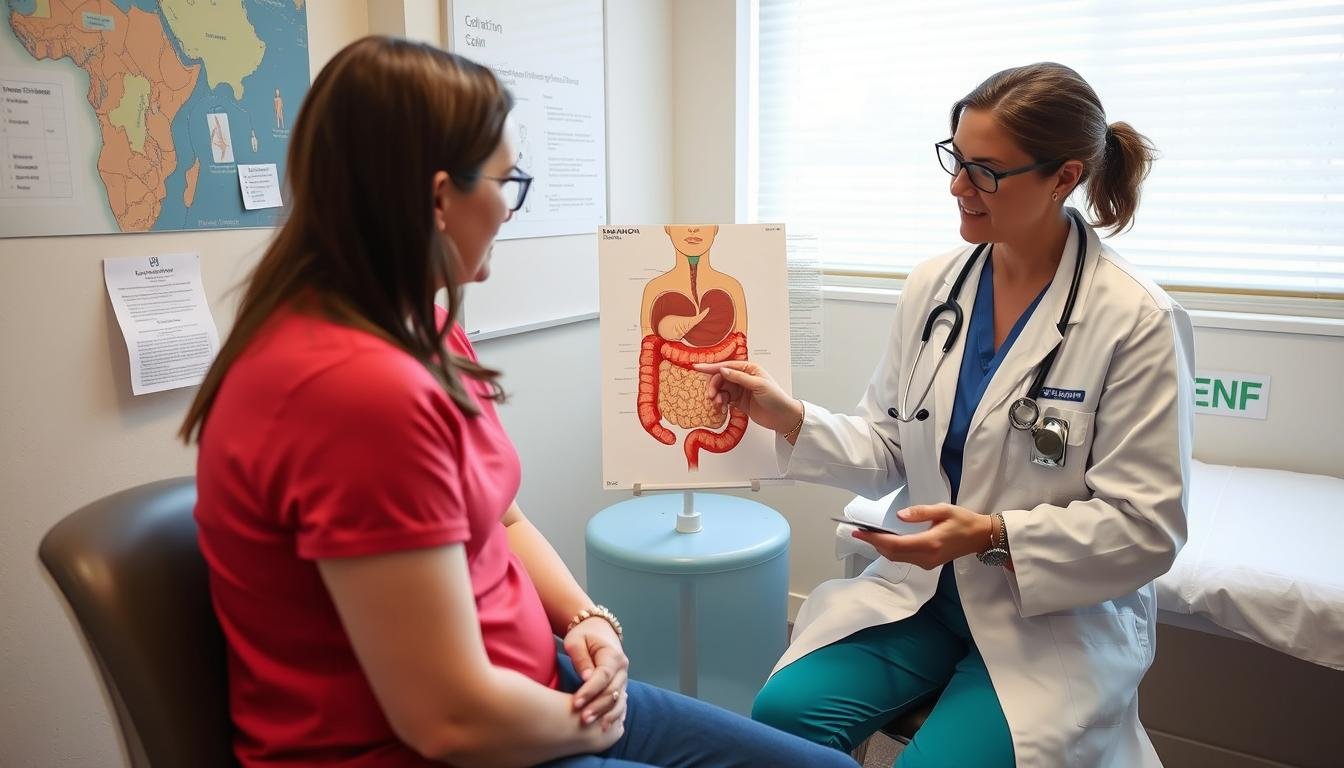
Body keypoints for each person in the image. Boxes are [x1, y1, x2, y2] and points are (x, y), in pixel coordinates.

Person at [179, 36, 857, 768]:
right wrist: (591, 729)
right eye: (508, 182)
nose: (508, 210)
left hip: (538, 690)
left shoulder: (420, 327)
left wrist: (584, 618)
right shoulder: (354, 395)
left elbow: (501, 517)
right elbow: (448, 720)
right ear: (440, 198)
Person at [696, 62, 1194, 767]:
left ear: (1063, 177)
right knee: (782, 716)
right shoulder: (935, 286)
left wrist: (991, 536)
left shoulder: (1136, 319)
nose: (958, 186)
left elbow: (1147, 528)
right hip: (925, 596)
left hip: (1051, 616)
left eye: (985, 171)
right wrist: (789, 416)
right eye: (955, 159)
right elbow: (889, 445)